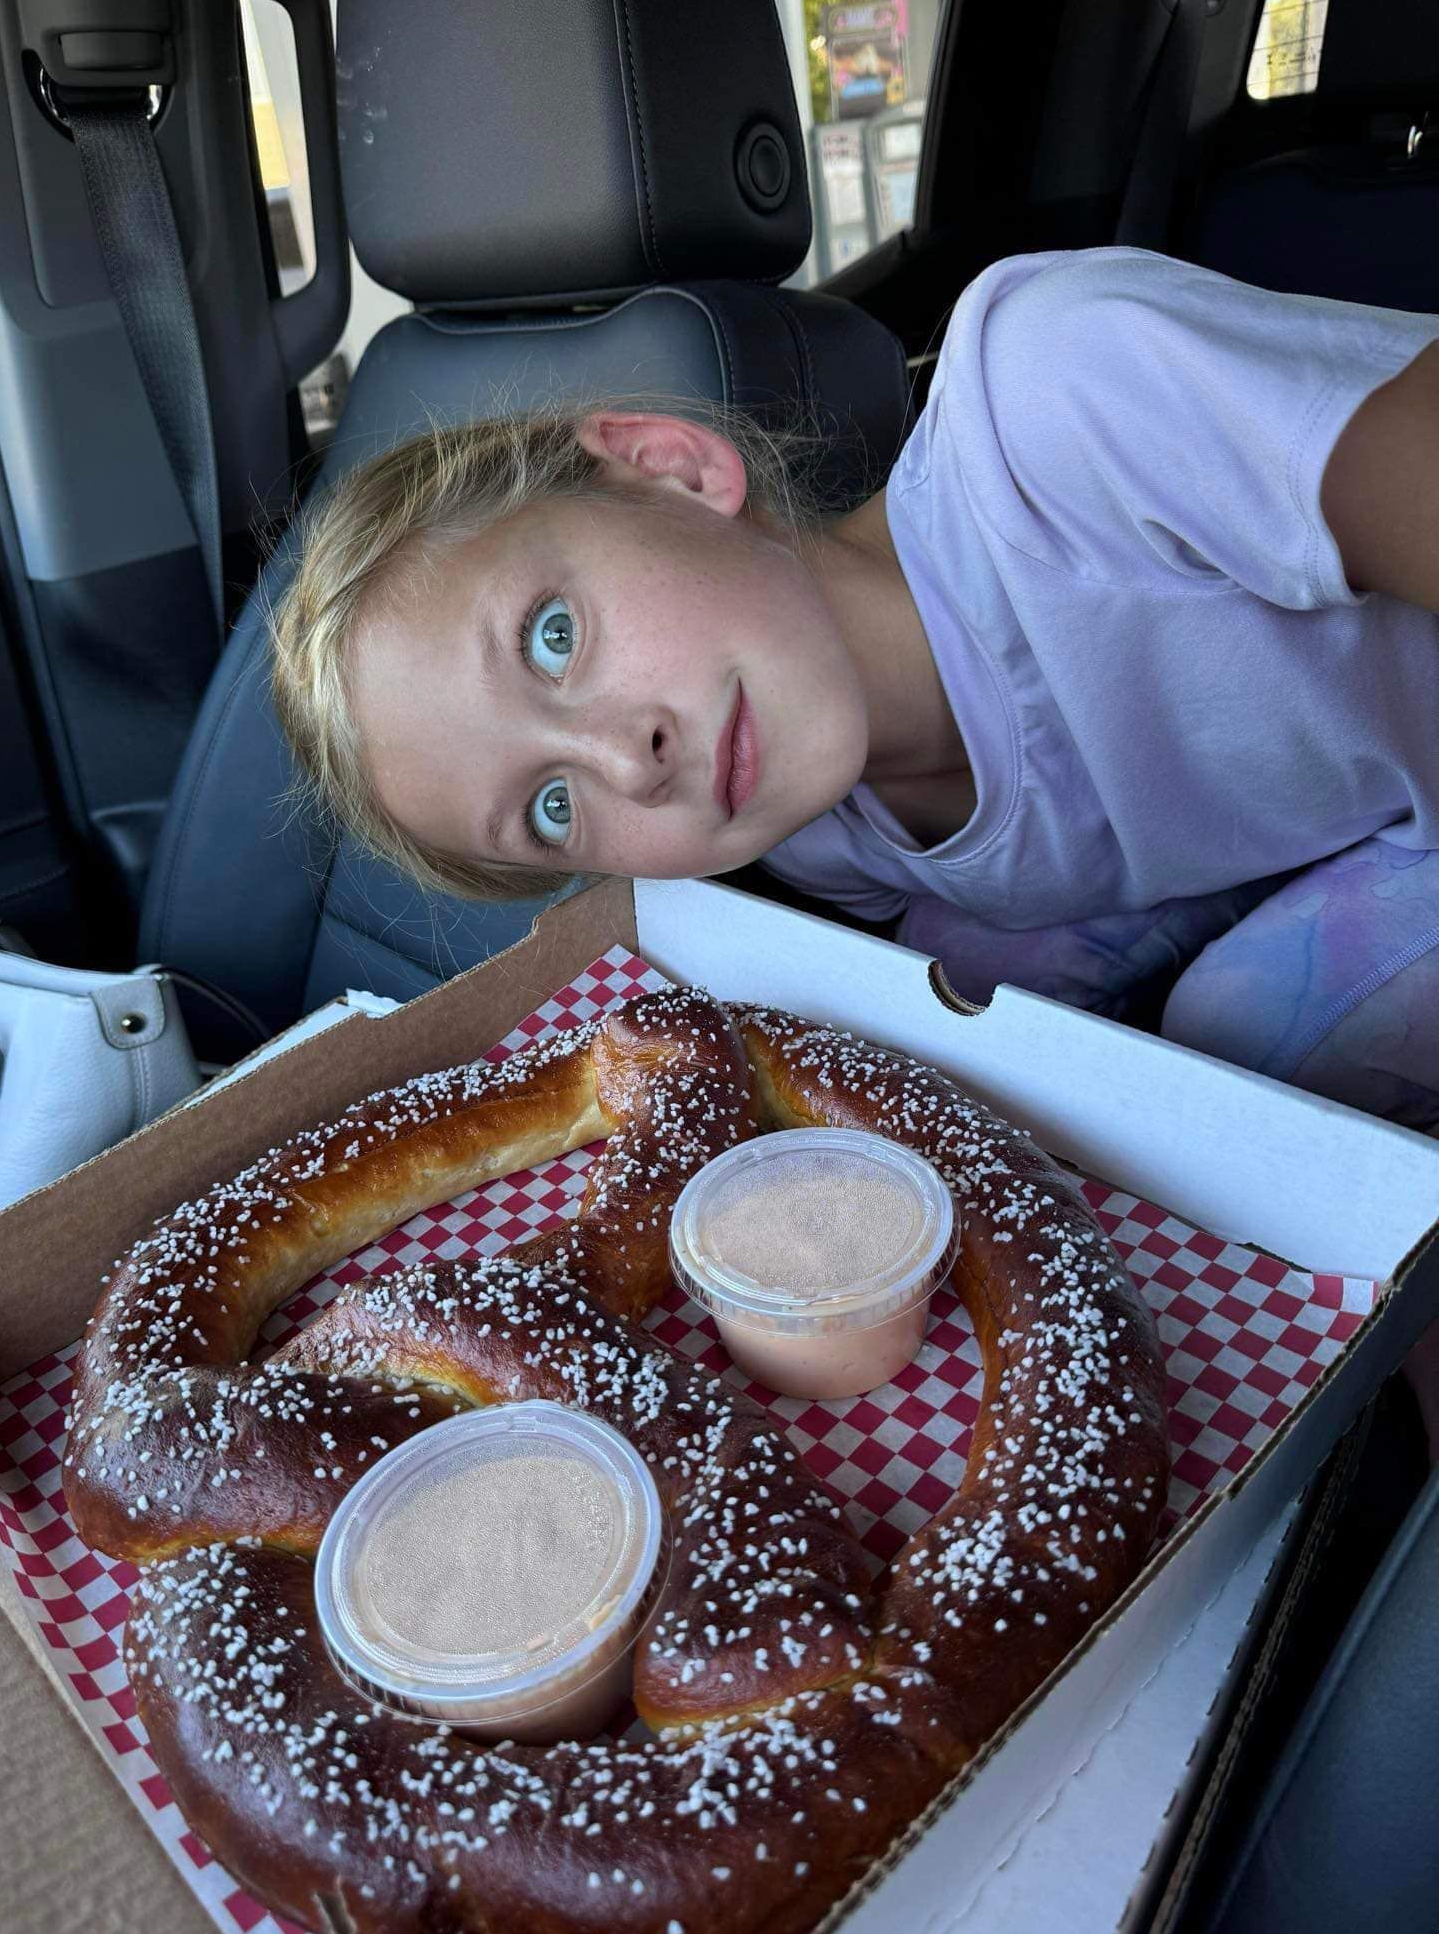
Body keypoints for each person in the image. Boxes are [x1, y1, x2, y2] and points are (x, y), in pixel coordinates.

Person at [267, 245, 1439, 1448]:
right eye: (553, 808)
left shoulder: (1061, 401)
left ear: (671, 468)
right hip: (1357, 839)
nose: (628, 758)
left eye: (554, 636)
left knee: (1238, 1031)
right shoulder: (834, 850)